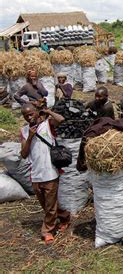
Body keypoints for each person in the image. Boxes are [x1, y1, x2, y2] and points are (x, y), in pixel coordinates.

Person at [20, 103, 70, 244]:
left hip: (50, 172)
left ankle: (47, 231)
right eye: (26, 115)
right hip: (35, 173)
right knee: (47, 204)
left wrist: (48, 111)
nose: (29, 117)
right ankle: (65, 217)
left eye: (31, 114)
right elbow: (24, 154)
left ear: (37, 113)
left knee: (49, 205)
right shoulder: (24, 131)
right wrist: (30, 137)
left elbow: (61, 120)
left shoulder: (47, 124)